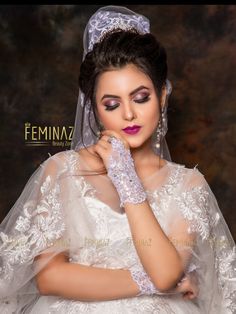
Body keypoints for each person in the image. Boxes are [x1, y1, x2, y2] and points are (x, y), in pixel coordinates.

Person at [0, 5, 235, 314]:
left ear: (162, 96)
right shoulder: (62, 170)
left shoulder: (189, 185)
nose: (128, 114)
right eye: (111, 104)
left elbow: (165, 273)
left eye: (141, 98)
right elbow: (49, 277)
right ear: (95, 110)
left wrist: (126, 179)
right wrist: (147, 282)